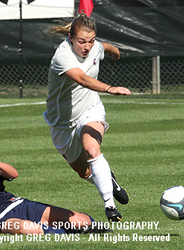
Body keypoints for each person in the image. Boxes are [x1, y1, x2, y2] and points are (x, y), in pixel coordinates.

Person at [43, 14, 132, 222]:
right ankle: (109, 180)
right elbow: (82, 79)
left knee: (92, 148)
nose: (87, 46)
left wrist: (115, 53)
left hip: (90, 109)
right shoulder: (62, 56)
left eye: (91, 41)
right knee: (84, 172)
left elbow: (105, 47)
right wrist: (110, 88)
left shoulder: (94, 47)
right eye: (82, 41)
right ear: (71, 37)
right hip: (62, 124)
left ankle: (110, 206)